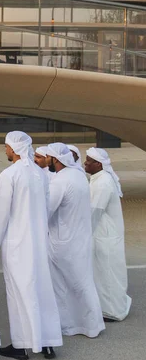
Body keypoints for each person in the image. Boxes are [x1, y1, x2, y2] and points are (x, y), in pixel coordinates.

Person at [0, 131, 63, 360]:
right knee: (42, 290)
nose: (6, 150)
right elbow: (48, 207)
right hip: (39, 242)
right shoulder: (40, 175)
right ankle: (47, 342)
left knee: (19, 291)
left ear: (14, 148)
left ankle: (21, 345)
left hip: (17, 243)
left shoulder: (9, 174)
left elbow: (2, 212)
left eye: (7, 146)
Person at [45, 143, 104, 338]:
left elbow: (47, 210)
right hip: (79, 238)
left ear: (55, 159)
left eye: (48, 158)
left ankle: (71, 325)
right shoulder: (78, 175)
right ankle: (89, 324)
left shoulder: (60, 181)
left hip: (63, 241)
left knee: (64, 285)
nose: (46, 161)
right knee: (82, 282)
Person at [85, 148, 132, 322]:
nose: (85, 163)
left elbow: (94, 212)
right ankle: (107, 308)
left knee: (108, 274)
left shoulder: (103, 182)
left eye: (89, 160)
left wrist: (81, 235)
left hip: (106, 236)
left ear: (98, 164)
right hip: (104, 234)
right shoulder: (97, 179)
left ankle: (114, 311)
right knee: (103, 273)